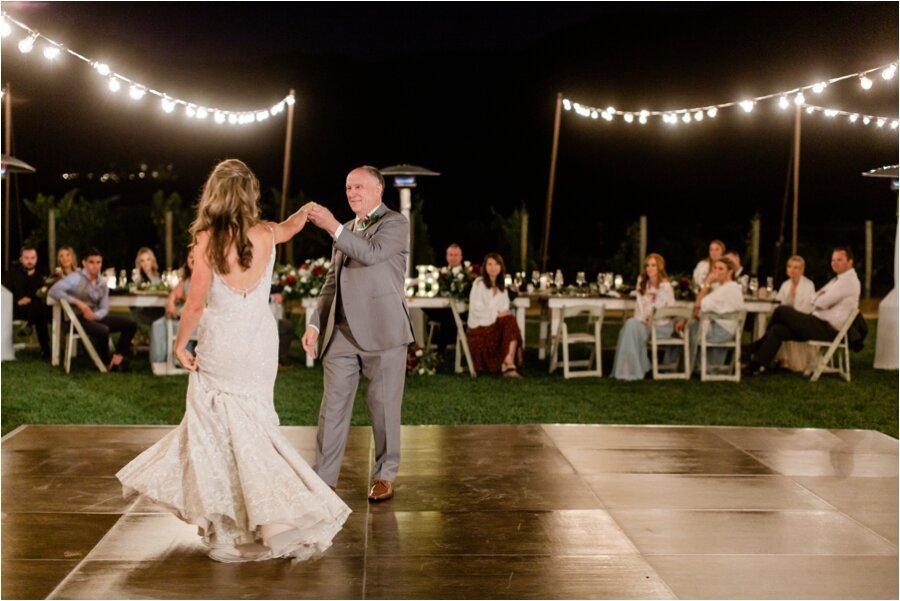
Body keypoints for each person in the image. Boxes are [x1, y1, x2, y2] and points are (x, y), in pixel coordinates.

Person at [117, 159, 349, 563]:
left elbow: (194, 303)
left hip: (221, 344)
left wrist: (180, 344)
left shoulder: (206, 240)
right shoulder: (266, 233)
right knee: (255, 430)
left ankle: (226, 529)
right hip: (259, 345)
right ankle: (265, 520)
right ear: (249, 194)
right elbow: (292, 226)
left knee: (213, 436)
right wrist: (305, 210)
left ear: (215, 194)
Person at [302, 166, 415, 504]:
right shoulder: (347, 230)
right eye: (348, 187)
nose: (352, 193)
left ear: (378, 190)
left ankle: (384, 474)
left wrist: (333, 226)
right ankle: (324, 479)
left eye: (359, 187)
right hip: (342, 333)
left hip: (384, 331)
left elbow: (372, 254)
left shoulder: (395, 224)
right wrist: (314, 322)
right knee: (332, 407)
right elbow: (332, 283)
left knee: (383, 408)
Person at [746, 247, 860, 376]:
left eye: (840, 260)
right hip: (818, 324)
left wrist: (819, 298)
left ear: (850, 262)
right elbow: (816, 297)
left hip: (827, 329)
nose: (835, 263)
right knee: (777, 330)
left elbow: (820, 302)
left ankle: (757, 346)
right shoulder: (838, 279)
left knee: (781, 310)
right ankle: (757, 366)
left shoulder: (847, 281)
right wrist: (819, 297)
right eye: (833, 260)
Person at [48, 248, 138, 371]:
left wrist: (96, 316)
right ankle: (104, 362)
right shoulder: (75, 278)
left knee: (131, 325)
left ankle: (116, 359)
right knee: (103, 330)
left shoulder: (102, 283)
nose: (95, 266)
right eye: (91, 262)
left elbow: (105, 308)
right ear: (84, 263)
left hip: (95, 317)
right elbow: (54, 291)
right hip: (77, 318)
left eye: (98, 262)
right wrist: (79, 303)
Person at [611, 253, 675, 380]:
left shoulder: (666, 286)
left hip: (661, 326)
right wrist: (642, 320)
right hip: (644, 324)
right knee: (631, 325)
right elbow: (639, 308)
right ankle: (629, 370)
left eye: (653, 265)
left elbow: (668, 311)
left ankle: (630, 369)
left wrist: (650, 319)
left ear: (660, 268)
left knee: (630, 326)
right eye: (647, 265)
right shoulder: (642, 283)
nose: (649, 268)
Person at [679, 257, 745, 372]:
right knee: (693, 323)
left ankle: (688, 367)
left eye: (721, 269)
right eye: (715, 268)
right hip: (729, 330)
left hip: (721, 332)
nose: (716, 271)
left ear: (730, 272)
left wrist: (707, 283)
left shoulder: (725, 289)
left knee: (692, 325)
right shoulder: (733, 287)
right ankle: (696, 365)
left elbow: (698, 306)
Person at [466, 252, 524, 377]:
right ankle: (509, 365)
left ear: (501, 267)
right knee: (509, 321)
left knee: (510, 321)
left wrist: (499, 315)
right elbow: (477, 308)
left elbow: (504, 308)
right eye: (490, 264)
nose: (493, 267)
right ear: (485, 267)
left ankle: (508, 363)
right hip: (478, 328)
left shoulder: (502, 288)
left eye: (496, 264)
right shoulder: (479, 283)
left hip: (494, 326)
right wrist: (496, 314)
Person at [2, 246, 51, 357]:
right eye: (26, 258)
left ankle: (30, 326)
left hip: (34, 308)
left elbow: (44, 291)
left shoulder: (42, 274)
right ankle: (45, 348)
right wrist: (17, 302)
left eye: (32, 258)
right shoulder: (12, 274)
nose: (30, 261)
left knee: (39, 307)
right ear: (21, 259)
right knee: (39, 310)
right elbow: (3, 293)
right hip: (15, 308)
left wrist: (30, 297)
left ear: (36, 259)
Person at [773, 255, 817, 372]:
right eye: (789, 267)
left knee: (781, 323)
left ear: (802, 270)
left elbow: (807, 308)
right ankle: (782, 359)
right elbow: (778, 304)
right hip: (787, 318)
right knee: (777, 323)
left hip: (803, 321)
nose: (792, 270)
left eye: (796, 267)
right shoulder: (785, 284)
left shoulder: (809, 285)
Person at [149, 250, 194, 364]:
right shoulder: (186, 279)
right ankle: (159, 360)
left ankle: (178, 360)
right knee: (157, 324)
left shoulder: (204, 277)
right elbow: (174, 293)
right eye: (190, 257)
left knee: (172, 325)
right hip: (180, 314)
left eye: (196, 257)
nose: (193, 260)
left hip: (192, 318)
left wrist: (183, 297)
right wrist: (171, 302)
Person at [427, 243, 468, 355]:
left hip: (461, 310)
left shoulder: (466, 274)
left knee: (447, 319)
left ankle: (440, 353)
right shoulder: (441, 272)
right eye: (451, 255)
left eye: (456, 255)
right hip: (443, 308)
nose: (453, 257)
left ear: (461, 257)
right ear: (446, 256)